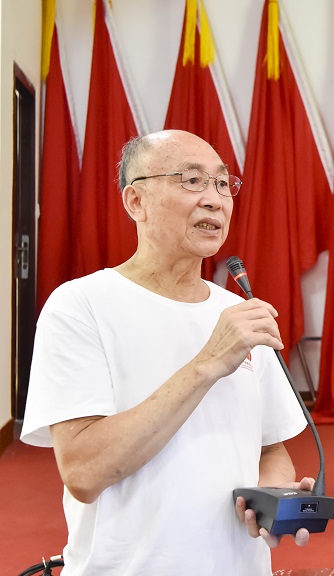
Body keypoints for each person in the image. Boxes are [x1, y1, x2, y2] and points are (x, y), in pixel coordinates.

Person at [21, 130, 313, 575]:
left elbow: (271, 449)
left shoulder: (240, 313)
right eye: (191, 180)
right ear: (135, 201)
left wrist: (272, 497)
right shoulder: (81, 305)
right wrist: (207, 363)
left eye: (222, 183)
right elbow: (83, 472)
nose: (214, 200)